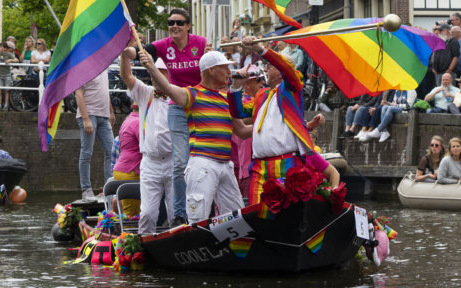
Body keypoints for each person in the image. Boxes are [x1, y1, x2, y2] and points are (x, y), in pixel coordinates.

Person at [140, 49, 248, 223]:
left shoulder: (226, 98)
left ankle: (230, 248)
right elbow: (167, 87)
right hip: (203, 165)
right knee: (197, 220)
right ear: (211, 70)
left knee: (236, 219)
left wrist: (266, 125)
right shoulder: (193, 94)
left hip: (225, 165)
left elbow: (242, 131)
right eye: (224, 68)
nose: (229, 73)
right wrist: (152, 67)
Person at [125, 8, 207, 225]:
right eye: (171, 22)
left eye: (179, 23)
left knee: (206, 161)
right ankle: (180, 216)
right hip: (178, 106)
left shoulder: (200, 43)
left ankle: (204, 214)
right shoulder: (147, 93)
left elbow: (212, 67)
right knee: (151, 212)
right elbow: (134, 59)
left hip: (200, 104)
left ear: (188, 25)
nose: (174, 26)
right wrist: (128, 50)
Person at [237, 37, 339, 206]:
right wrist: (234, 85)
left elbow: (287, 70)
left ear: (281, 70)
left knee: (285, 216)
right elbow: (238, 111)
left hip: (286, 164)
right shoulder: (261, 95)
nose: (266, 69)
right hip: (259, 168)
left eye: (270, 66)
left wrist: (261, 49)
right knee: (257, 215)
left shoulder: (292, 88)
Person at [121, 48, 173, 233]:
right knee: (148, 214)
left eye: (160, 73)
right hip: (150, 163)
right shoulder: (145, 93)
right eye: (153, 72)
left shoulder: (178, 95)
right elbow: (126, 76)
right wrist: (124, 53)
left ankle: (178, 248)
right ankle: (143, 248)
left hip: (174, 162)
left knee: (176, 214)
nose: (155, 77)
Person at [75, 70, 115, 201]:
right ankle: (86, 189)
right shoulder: (83, 67)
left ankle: (109, 188)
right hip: (89, 114)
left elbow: (105, 91)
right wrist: (86, 119)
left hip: (103, 115)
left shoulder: (103, 67)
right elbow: (78, 93)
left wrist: (111, 112)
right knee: (87, 152)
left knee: (112, 151)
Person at [230, 64, 263, 197]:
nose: (263, 83)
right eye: (259, 80)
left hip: (248, 167)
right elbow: (241, 120)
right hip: (242, 167)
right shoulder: (242, 102)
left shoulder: (260, 99)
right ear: (247, 83)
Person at [111, 103, 141, 216]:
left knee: (131, 212)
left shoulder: (128, 120)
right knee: (132, 215)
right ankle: (128, 232)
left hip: (123, 169)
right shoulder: (138, 122)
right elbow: (147, 147)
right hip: (131, 171)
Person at [0, 41, 18, 110]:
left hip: (7, 75)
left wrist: (10, 60)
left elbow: (16, 60)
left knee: (6, 91)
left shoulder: (8, 54)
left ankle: (6, 105)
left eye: (1, 47)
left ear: (5, 48)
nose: (0, 48)